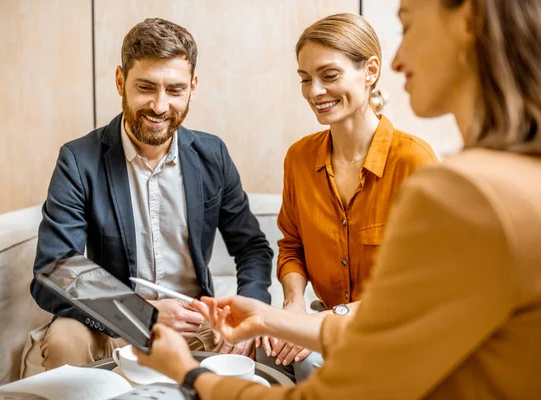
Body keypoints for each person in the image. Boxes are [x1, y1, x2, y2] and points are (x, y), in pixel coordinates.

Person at [133, 0, 541, 398]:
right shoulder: (515, 181)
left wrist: (190, 375)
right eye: (305, 78)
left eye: (408, 23)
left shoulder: (457, 191)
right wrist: (278, 315)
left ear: (467, 19)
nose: (399, 60)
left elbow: (375, 343)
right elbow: (397, 321)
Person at [29, 18, 273, 371]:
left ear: (193, 86)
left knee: (270, 342)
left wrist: (253, 311)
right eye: (146, 87)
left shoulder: (212, 154)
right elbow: (53, 271)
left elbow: (252, 248)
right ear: (119, 81)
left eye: (175, 90)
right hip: (114, 323)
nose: (160, 106)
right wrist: (142, 313)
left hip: (194, 325)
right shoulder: (78, 160)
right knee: (65, 337)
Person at [258, 13, 437, 381]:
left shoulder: (414, 161)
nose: (314, 92)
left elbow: (424, 283)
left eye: (329, 75)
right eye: (305, 80)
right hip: (326, 328)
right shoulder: (299, 158)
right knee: (264, 352)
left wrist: (324, 321)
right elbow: (291, 246)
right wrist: (293, 306)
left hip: (399, 335)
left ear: (370, 70)